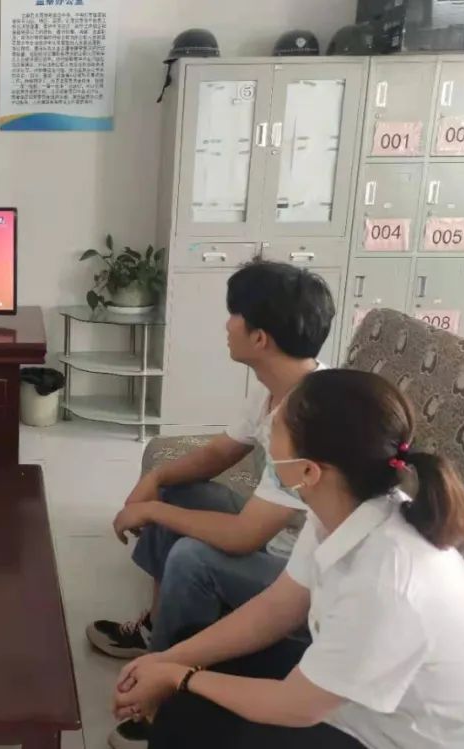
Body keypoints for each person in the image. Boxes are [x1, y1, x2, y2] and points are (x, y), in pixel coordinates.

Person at [114, 369, 464, 748]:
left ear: (308, 471)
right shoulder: (341, 511)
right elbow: (277, 607)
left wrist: (178, 678)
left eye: (277, 429)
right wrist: (166, 661)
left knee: (189, 711)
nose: (268, 434)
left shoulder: (388, 576)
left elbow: (294, 706)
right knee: (189, 646)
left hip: (405, 739)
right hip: (365, 709)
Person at [87, 261, 334, 747]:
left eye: (234, 314)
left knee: (192, 557)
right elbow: (220, 453)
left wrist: (149, 510)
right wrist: (156, 479)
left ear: (259, 337)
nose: (226, 324)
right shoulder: (275, 389)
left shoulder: (311, 417)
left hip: (301, 573)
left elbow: (245, 536)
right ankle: (158, 633)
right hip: (280, 542)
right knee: (180, 493)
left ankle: (163, 698)